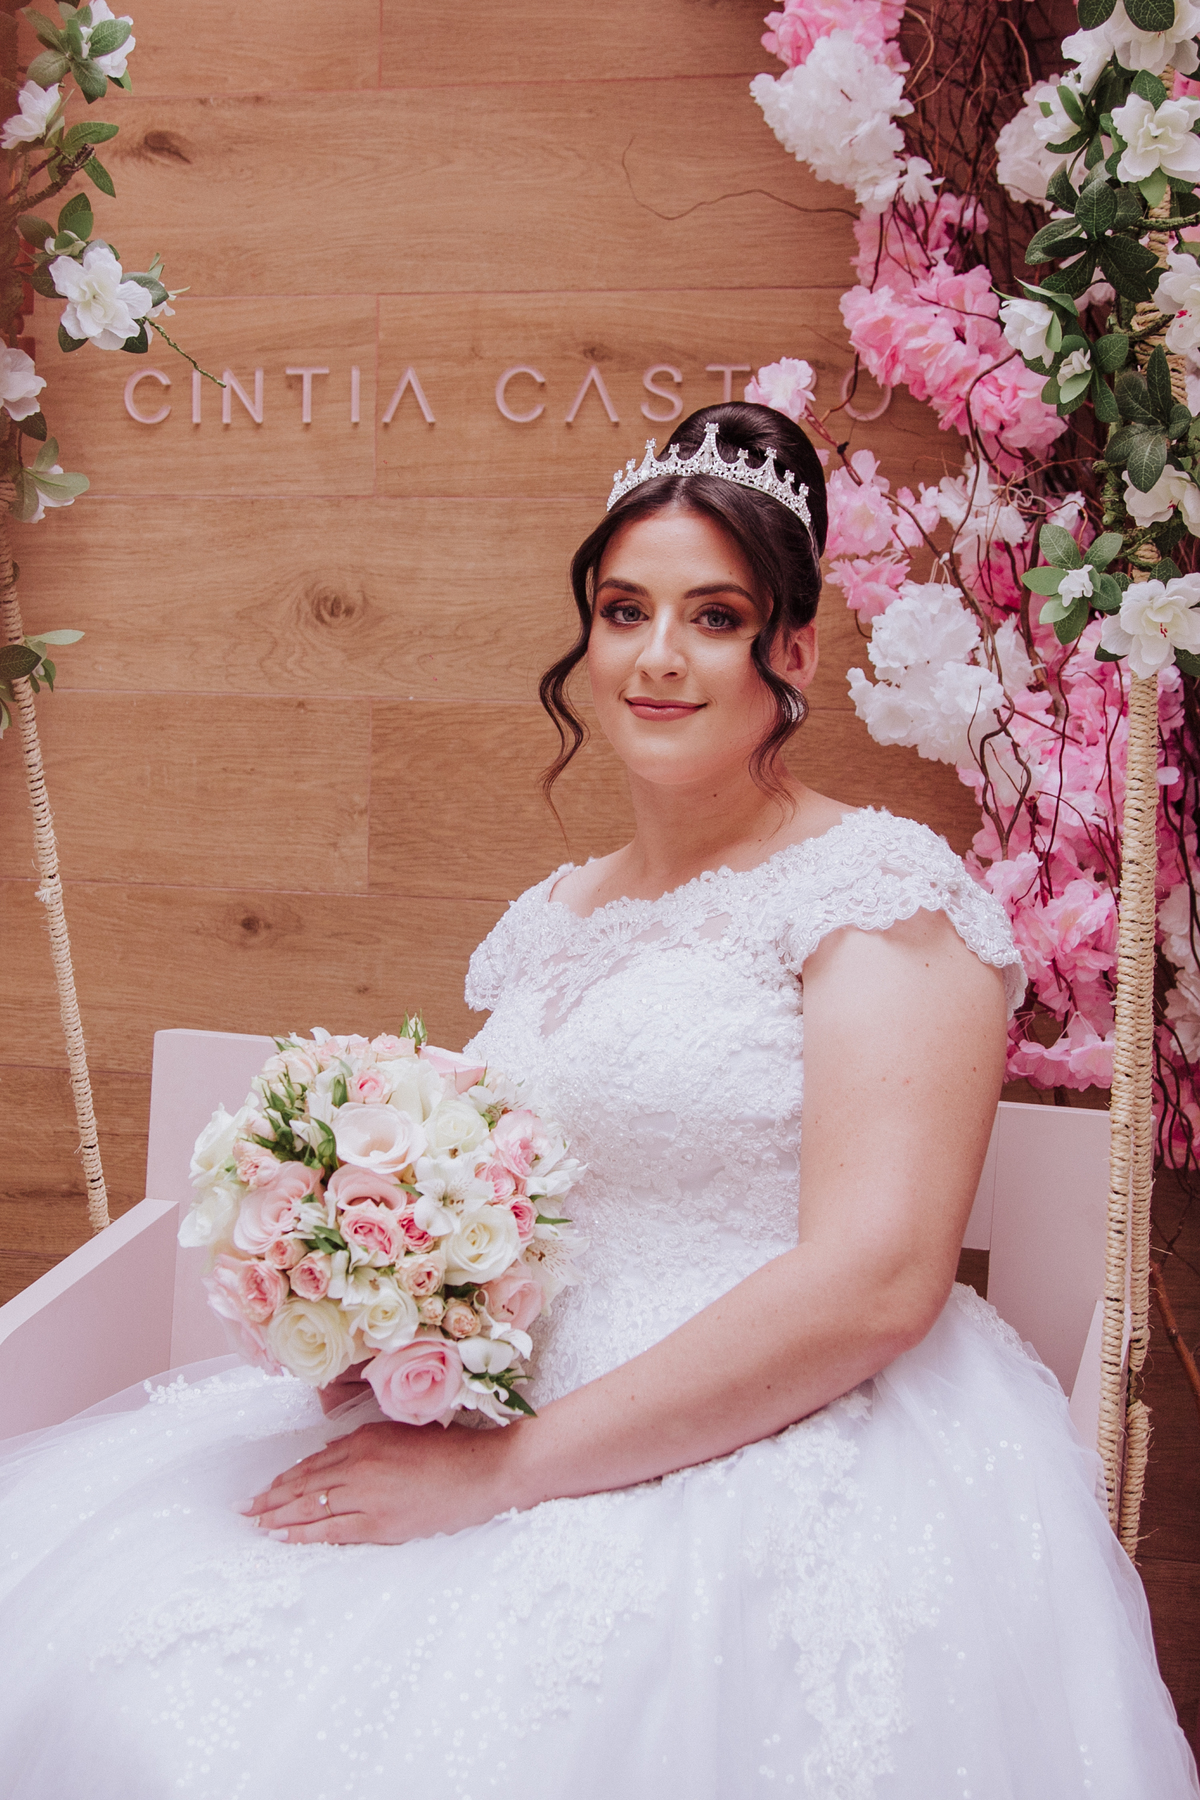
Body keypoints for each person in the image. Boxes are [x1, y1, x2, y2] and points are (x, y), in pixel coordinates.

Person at [0, 402, 1195, 1800]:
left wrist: (506, 1472)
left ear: (795, 650)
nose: (658, 655)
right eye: (625, 611)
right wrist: (395, 1325)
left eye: (715, 616)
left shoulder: (877, 896)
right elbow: (511, 1199)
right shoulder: (552, 917)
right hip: (509, 1397)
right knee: (136, 1657)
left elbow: (876, 1281)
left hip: (776, 1421)